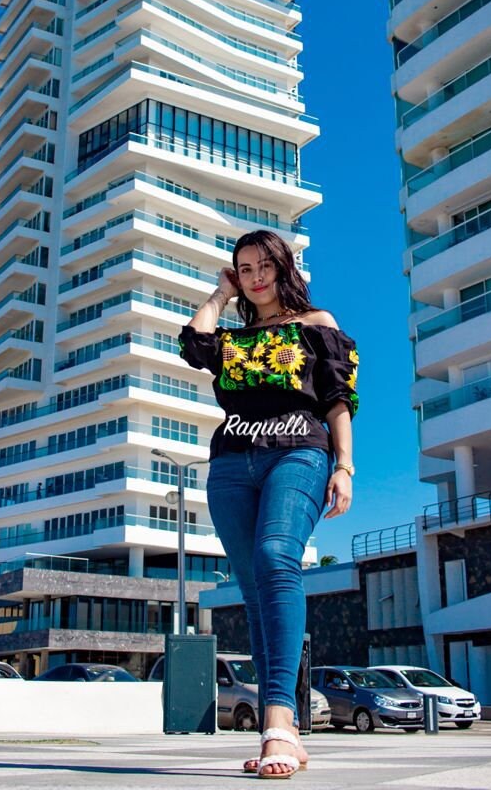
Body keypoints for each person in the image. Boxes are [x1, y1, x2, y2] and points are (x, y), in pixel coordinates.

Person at [178, 230, 358, 779]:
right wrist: (218, 295)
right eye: (245, 268)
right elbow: (193, 345)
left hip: (299, 453)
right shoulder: (231, 338)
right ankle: (282, 731)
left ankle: (279, 718)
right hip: (231, 465)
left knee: (278, 556)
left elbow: (337, 398)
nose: (256, 277)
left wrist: (344, 466)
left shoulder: (316, 325)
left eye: (264, 267)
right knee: (253, 588)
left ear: (284, 268)